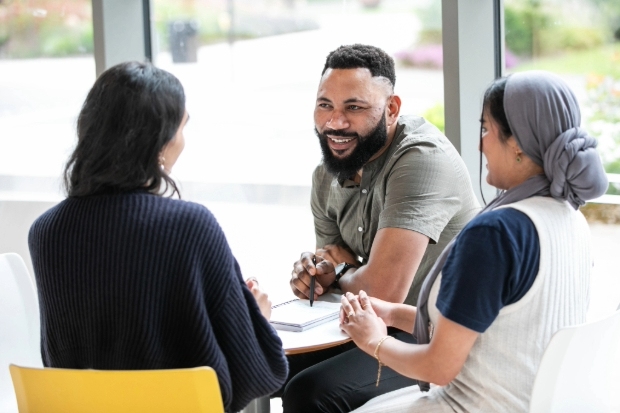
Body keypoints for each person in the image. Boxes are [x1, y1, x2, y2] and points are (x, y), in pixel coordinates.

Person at [339, 70, 609, 412]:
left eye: (486, 130)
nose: (480, 144)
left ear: (519, 146)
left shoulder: (495, 234)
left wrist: (374, 341)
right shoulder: (571, 219)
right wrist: (392, 313)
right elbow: (499, 332)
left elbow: (438, 366)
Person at [28, 61, 288, 413]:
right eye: (182, 127)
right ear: (160, 140)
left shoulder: (45, 233)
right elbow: (252, 375)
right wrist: (257, 319)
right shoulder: (191, 226)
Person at [280, 44, 480, 413]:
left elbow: (384, 289)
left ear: (391, 108)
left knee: (309, 392)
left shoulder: (421, 159)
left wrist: (340, 271)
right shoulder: (326, 175)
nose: (335, 122)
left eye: (354, 107)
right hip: (376, 321)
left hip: (441, 335)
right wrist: (318, 274)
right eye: (326, 105)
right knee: (257, 362)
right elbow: (332, 280)